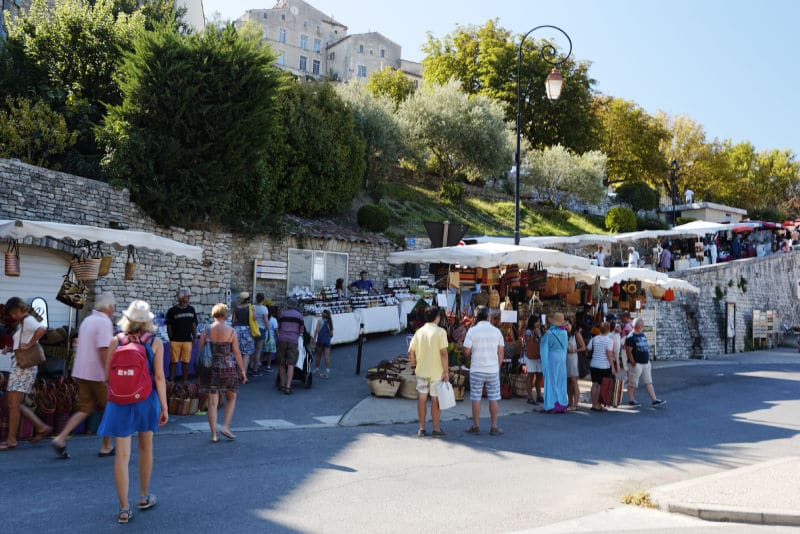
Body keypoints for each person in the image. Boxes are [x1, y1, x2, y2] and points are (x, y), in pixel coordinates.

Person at [97, 300, 168, 524]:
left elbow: (107, 376)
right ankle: (144, 496)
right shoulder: (156, 343)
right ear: (148, 321)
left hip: (120, 401)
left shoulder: (115, 341)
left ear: (126, 319)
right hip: (146, 399)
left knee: (122, 455)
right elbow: (159, 378)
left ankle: (124, 509)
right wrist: (164, 406)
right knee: (146, 447)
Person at [51, 292, 116, 459]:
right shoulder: (104, 322)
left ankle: (61, 438)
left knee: (85, 408)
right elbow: (103, 350)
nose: (113, 310)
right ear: (109, 307)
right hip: (97, 374)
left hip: (81, 372)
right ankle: (106, 446)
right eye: (113, 307)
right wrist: (108, 373)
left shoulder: (87, 320)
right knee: (111, 409)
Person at [0, 297, 52, 451]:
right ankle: (41, 426)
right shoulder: (24, 322)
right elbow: (22, 342)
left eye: (12, 313)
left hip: (23, 368)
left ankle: (11, 441)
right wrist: (10, 349)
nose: (12, 317)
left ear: (17, 310)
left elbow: (42, 329)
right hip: (21, 367)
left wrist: (29, 344)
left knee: (13, 404)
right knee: (12, 403)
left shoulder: (28, 320)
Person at [197, 303, 247, 442]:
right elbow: (237, 353)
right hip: (227, 367)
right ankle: (225, 426)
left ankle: (213, 434)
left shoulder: (205, 331)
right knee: (231, 397)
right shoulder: (231, 331)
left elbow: (200, 352)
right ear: (226, 315)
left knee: (212, 402)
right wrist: (242, 371)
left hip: (210, 369)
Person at [461, 305, 504, 435]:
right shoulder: (497, 331)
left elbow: (466, 352)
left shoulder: (472, 331)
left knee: (476, 398)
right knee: (493, 398)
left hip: (476, 370)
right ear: (488, 317)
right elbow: (501, 353)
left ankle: (476, 426)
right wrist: (497, 366)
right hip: (492, 370)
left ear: (476, 317)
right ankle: (494, 427)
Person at [407, 306, 449, 437]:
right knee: (435, 400)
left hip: (422, 371)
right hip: (436, 372)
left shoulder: (419, 332)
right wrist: (446, 370)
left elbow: (410, 351)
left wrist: (414, 364)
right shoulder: (440, 332)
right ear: (437, 318)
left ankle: (422, 428)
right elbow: (443, 353)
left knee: (422, 398)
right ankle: (436, 429)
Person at [625, 318, 666, 408]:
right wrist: (633, 363)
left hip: (645, 363)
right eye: (642, 325)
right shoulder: (631, 337)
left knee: (648, 382)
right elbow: (628, 351)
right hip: (636, 364)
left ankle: (654, 400)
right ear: (639, 326)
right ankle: (631, 400)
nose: (643, 327)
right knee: (632, 383)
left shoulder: (642, 334)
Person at [165, 287, 197, 384]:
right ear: (181, 297)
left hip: (187, 340)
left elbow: (193, 324)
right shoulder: (172, 310)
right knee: (173, 362)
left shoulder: (191, 309)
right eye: (187, 295)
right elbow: (169, 326)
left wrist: (194, 336)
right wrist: (171, 338)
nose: (188, 297)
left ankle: (185, 381)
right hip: (175, 340)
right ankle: (171, 381)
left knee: (186, 362)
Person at [539, 312, 568, 413]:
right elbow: (565, 347)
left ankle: (553, 405)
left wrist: (544, 363)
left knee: (551, 380)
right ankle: (562, 404)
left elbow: (543, 349)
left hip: (552, 358)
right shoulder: (565, 333)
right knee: (561, 380)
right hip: (562, 358)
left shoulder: (549, 333)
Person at [586, 322, 617, 412]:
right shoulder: (609, 340)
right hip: (603, 365)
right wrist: (613, 367)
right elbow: (609, 355)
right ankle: (598, 405)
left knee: (594, 384)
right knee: (600, 385)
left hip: (594, 364)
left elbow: (588, 348)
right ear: (608, 330)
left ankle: (593, 404)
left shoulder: (594, 339)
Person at [276, 301, 304, 395]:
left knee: (282, 363)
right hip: (293, 340)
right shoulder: (299, 315)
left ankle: (282, 384)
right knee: (291, 364)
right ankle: (288, 387)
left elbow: (278, 327)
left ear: (288, 305)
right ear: (296, 306)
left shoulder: (282, 314)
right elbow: (301, 330)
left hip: (282, 339)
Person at [231, 292, 255, 377]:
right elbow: (254, 319)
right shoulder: (251, 307)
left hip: (237, 330)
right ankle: (243, 375)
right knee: (246, 354)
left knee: (238, 353)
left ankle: (238, 373)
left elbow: (233, 321)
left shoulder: (236, 308)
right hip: (247, 330)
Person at [565, 317, 585, 411]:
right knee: (568, 383)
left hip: (574, 360)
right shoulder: (565, 334)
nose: (566, 326)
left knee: (574, 382)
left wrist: (574, 350)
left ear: (572, 324)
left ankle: (575, 404)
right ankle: (570, 402)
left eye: (567, 325)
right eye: (565, 325)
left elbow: (583, 347)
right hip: (566, 360)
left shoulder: (576, 334)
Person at [522, 316, 543, 404]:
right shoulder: (528, 331)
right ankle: (529, 397)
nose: (538, 323)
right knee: (530, 376)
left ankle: (539, 395)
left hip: (538, 356)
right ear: (532, 322)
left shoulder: (539, 331)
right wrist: (535, 334)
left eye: (539, 321)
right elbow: (528, 342)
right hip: (530, 356)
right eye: (537, 321)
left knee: (539, 376)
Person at [250, 293, 269, 377]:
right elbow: (266, 320)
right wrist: (268, 330)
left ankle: (250, 365)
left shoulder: (252, 307)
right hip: (261, 329)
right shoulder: (264, 309)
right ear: (263, 299)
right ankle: (255, 369)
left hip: (252, 329)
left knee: (251, 349)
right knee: (258, 350)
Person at [313, 309, 334, 378]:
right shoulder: (330, 322)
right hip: (327, 341)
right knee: (327, 357)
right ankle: (327, 372)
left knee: (318, 355)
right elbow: (331, 334)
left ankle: (317, 369)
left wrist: (314, 339)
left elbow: (316, 331)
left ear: (323, 314)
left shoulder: (320, 321)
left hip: (320, 340)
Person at [263, 305, 279, 372]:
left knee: (263, 352)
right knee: (269, 353)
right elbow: (276, 330)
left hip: (262, 337)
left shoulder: (263, 318)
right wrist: (279, 336)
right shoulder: (273, 320)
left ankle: (258, 363)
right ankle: (268, 366)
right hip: (270, 338)